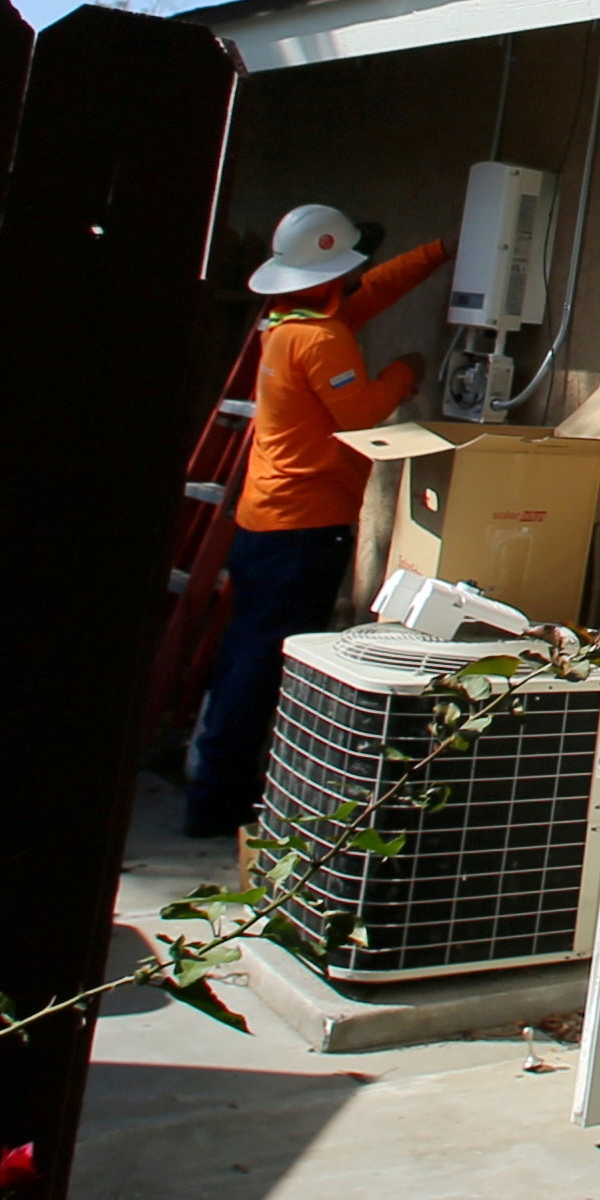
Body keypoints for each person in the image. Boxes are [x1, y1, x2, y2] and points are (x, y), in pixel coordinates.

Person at [184, 198, 448, 839]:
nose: (364, 275)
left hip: (268, 522)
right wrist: (402, 373)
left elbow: (370, 290)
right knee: (266, 660)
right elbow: (357, 415)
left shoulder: (289, 322)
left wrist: (440, 252)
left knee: (248, 651)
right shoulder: (322, 339)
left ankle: (214, 789)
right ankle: (220, 805)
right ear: (333, 275)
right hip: (301, 530)